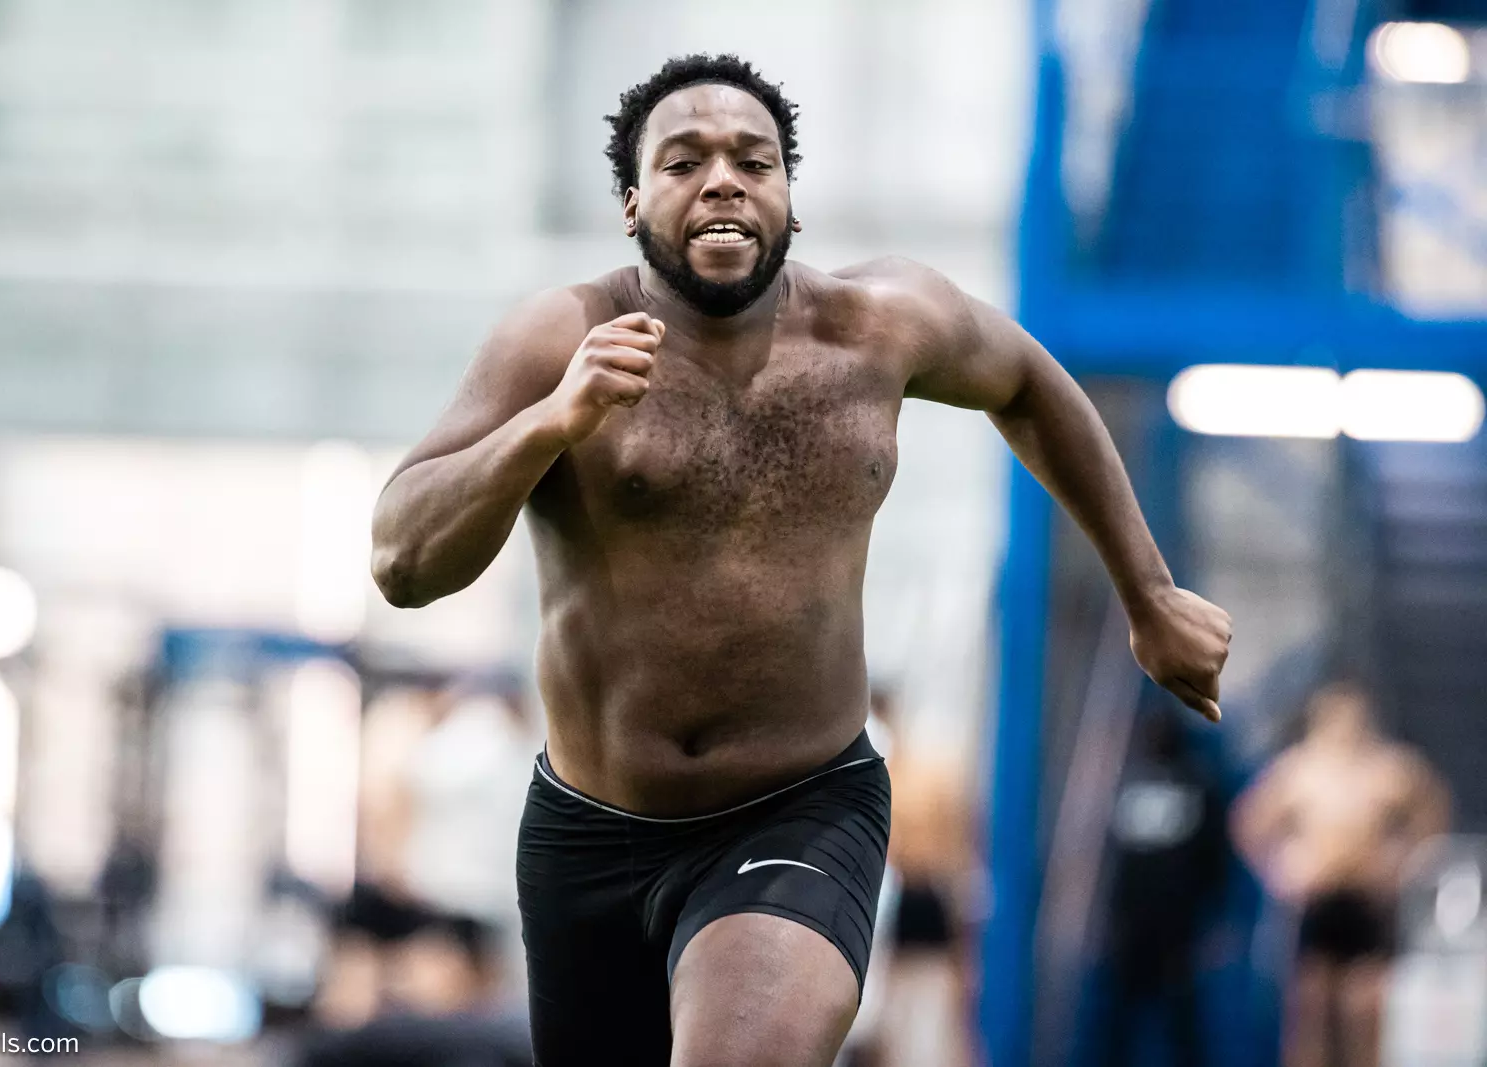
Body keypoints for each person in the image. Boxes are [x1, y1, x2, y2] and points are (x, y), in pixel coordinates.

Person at [370, 53, 1232, 1067]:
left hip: (800, 804)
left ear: (788, 197)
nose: (724, 179)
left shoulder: (881, 324)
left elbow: (1033, 384)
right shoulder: (560, 337)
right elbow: (403, 559)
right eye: (685, 160)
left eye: (754, 159)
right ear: (634, 202)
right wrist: (551, 424)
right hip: (588, 831)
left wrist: (1149, 591)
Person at [1231, 682, 1450, 1067]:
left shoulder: (1388, 768)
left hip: (1367, 900)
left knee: (1365, 1012)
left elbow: (1432, 812)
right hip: (1317, 899)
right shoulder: (1299, 769)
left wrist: (1402, 864)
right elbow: (1249, 823)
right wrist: (1278, 869)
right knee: (1311, 1011)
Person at [1100, 702, 1228, 1067]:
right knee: (1120, 1017)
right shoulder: (1124, 782)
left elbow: (1214, 857)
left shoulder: (1197, 784)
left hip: (1178, 927)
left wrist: (1214, 919)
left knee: (1181, 1016)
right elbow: (1109, 862)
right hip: (1130, 925)